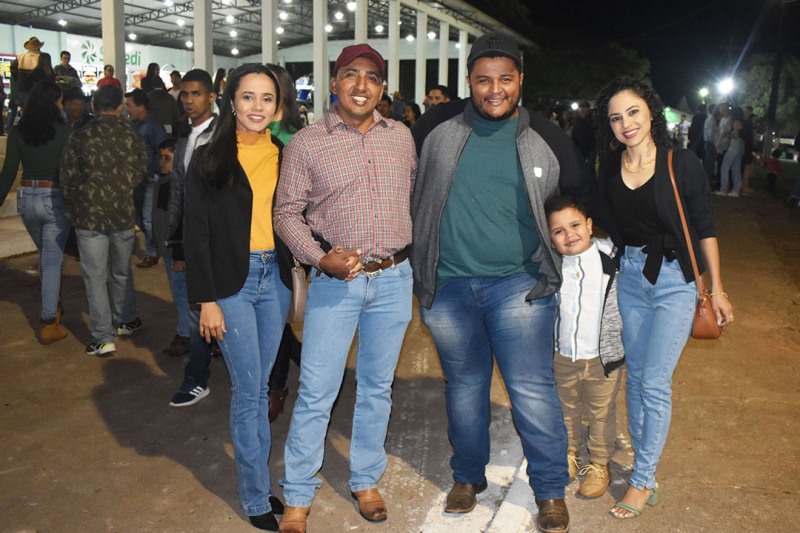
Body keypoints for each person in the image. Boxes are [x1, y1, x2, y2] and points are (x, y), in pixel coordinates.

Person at [411, 32, 596, 533]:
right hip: (448, 285)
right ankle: (467, 476)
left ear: (520, 81)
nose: (495, 90)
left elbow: (579, 195)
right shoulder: (435, 127)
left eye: (505, 79)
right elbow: (399, 180)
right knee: (464, 388)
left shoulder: (548, 137)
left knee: (531, 390)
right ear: (469, 82)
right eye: (484, 80)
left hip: (520, 285)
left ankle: (550, 490)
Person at [274, 43, 416, 533]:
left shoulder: (401, 137)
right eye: (351, 75)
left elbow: (412, 197)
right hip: (337, 284)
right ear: (334, 83)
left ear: (382, 88)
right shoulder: (307, 142)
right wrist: (320, 259)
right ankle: (298, 494)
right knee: (317, 390)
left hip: (394, 279)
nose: (362, 85)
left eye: (372, 77)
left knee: (377, 387)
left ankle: (366, 479)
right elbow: (285, 213)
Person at [593, 76, 734, 519]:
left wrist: (717, 288)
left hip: (675, 281)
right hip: (632, 278)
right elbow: (605, 222)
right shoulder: (608, 169)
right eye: (616, 118)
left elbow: (705, 227)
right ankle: (645, 470)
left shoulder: (681, 163)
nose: (626, 123)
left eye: (633, 112)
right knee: (635, 379)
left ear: (651, 113)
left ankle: (641, 479)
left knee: (654, 382)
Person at [184, 64, 291, 531]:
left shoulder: (285, 154)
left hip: (276, 281)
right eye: (248, 97)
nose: (257, 107)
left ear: (278, 106)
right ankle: (254, 496)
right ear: (231, 102)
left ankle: (260, 485)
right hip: (231, 286)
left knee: (261, 387)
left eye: (267, 98)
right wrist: (205, 299)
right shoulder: (209, 156)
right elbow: (195, 231)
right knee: (249, 392)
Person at [544, 195, 624, 500]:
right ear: (551, 238)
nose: (569, 235)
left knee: (601, 413)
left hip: (602, 358)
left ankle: (600, 464)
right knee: (566, 410)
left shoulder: (611, 256)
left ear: (590, 225)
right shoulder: (553, 265)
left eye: (575, 225)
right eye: (559, 231)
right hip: (563, 356)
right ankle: (569, 453)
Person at [60, 85, 148, 357]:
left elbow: (67, 177)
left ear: (93, 106)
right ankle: (125, 320)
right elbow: (141, 175)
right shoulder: (131, 136)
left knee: (95, 277)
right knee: (121, 271)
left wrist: (76, 205)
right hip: (123, 215)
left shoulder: (80, 135)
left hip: (89, 217)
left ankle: (102, 337)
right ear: (120, 107)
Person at [0, 80, 72, 344]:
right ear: (53, 103)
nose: (62, 106)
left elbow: (8, 172)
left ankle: (54, 305)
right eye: (60, 101)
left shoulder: (18, 132)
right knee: (52, 260)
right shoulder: (65, 133)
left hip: (26, 200)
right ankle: (48, 320)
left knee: (45, 255)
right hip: (53, 198)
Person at [166, 68, 219, 406]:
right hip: (192, 240)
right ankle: (196, 378)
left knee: (215, 310)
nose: (188, 100)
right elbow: (178, 192)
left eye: (196, 94)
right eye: (184, 94)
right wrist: (176, 243)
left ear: (211, 97)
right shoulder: (184, 136)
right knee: (197, 311)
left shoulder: (223, 135)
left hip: (218, 241)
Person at [265, 63, 305, 422]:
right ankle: (306, 361)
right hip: (251, 242)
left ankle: (276, 387)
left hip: (283, 244)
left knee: (276, 320)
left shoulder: (295, 140)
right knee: (272, 322)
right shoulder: (245, 136)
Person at [151, 137, 189, 356]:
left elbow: (178, 221)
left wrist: (178, 253)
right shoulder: (165, 181)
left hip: (176, 253)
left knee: (181, 293)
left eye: (167, 158)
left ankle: (185, 334)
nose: (161, 162)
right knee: (180, 292)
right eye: (161, 157)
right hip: (169, 250)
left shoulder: (177, 185)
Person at [125, 88, 168, 268]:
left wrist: (157, 173)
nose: (126, 109)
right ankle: (156, 245)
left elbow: (163, 152)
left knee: (148, 218)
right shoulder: (135, 125)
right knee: (138, 218)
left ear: (141, 106)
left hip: (151, 179)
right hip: (139, 179)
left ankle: (152, 252)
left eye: (129, 105)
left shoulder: (154, 127)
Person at [716, 106, 745, 197]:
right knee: (736, 167)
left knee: (724, 167)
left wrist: (728, 134)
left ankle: (724, 188)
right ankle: (736, 189)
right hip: (741, 145)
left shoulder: (736, 122)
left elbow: (735, 136)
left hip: (734, 145)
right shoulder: (743, 122)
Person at [11, 36, 44, 109]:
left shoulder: (21, 56)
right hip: (37, 89)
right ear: (39, 47)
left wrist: (19, 79)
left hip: (22, 88)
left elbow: (12, 68)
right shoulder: (42, 57)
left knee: (25, 110)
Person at [572, 100, 596, 177]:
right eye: (580, 108)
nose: (582, 110)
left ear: (588, 109)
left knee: (591, 167)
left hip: (592, 148)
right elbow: (574, 134)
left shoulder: (593, 119)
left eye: (584, 108)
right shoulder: (577, 120)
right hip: (580, 147)